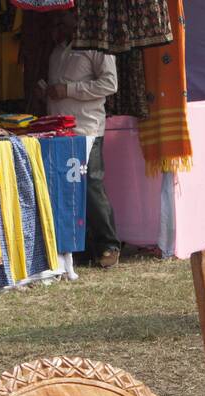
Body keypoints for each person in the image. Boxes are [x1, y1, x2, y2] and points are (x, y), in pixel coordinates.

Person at [39, 8, 121, 268]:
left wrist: (68, 89)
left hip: (86, 128)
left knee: (91, 186)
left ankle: (109, 246)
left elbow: (110, 85)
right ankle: (80, 247)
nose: (57, 25)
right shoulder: (58, 50)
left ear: (78, 18)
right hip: (59, 129)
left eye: (62, 19)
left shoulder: (98, 47)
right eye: (55, 21)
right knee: (66, 187)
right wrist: (48, 92)